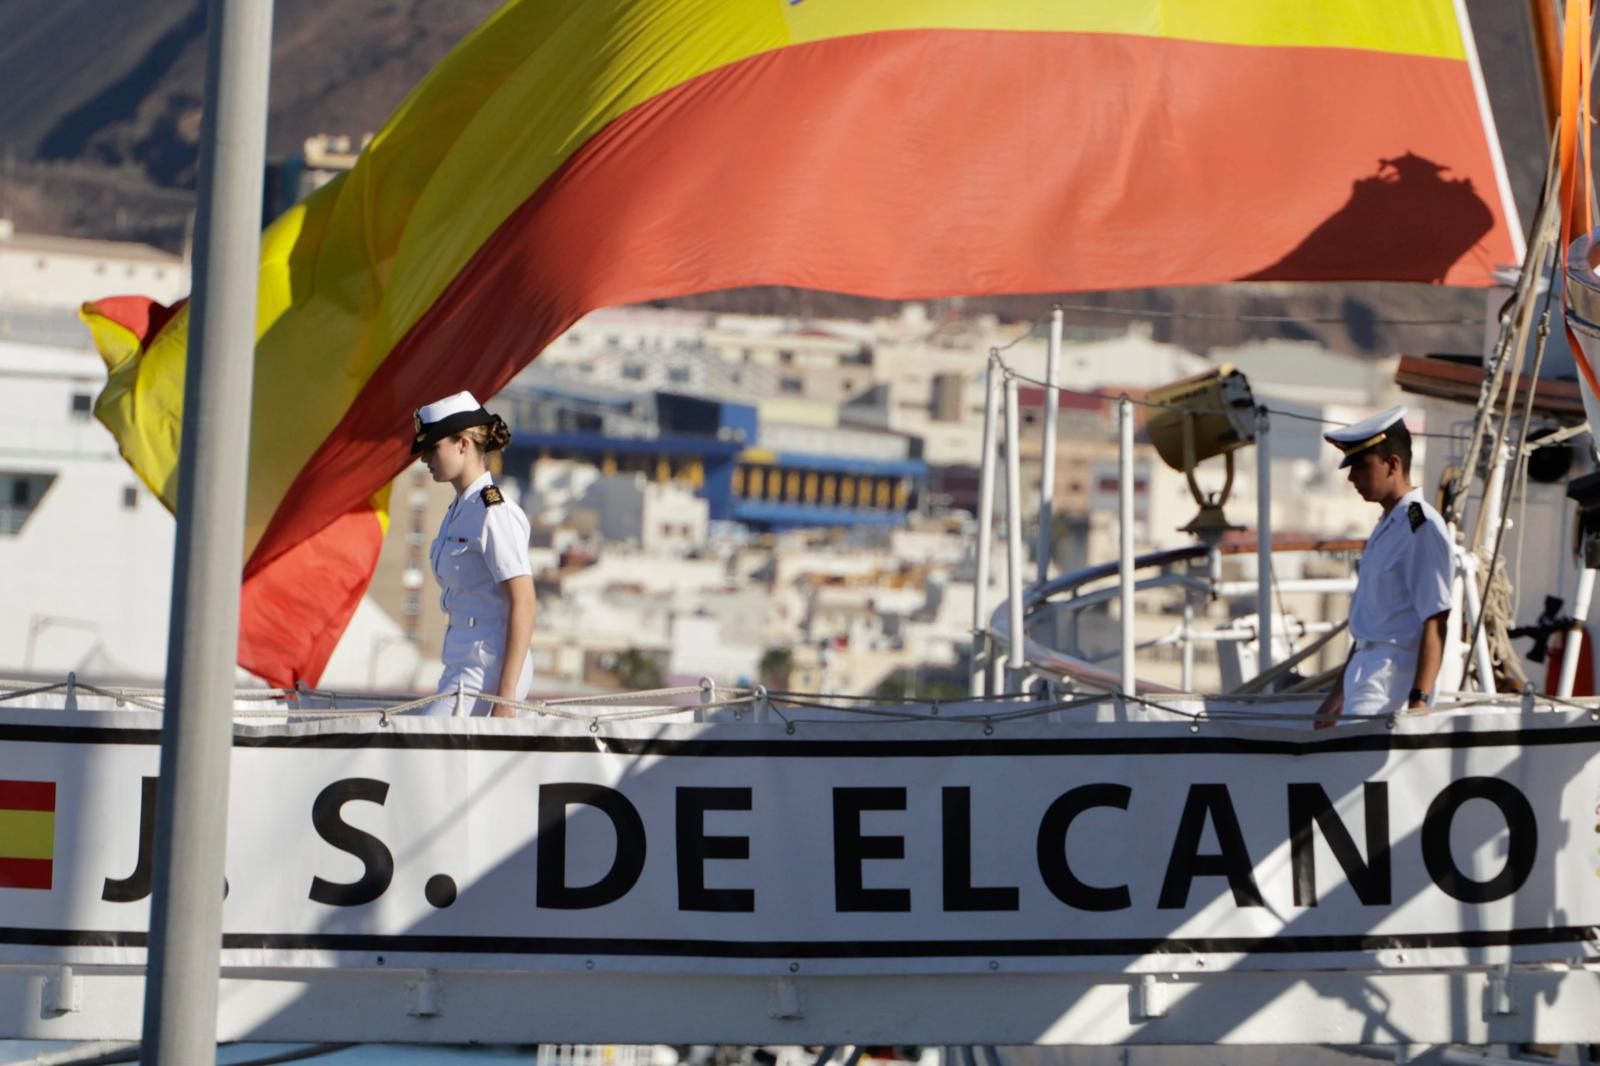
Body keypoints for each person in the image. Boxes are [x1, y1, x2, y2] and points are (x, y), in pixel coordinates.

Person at [1315, 406, 1454, 727]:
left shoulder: (1422, 526)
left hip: (1391, 680)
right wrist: (1336, 697)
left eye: (1361, 466)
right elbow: (1370, 625)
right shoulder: (1389, 524)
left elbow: (1436, 619)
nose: (1352, 478)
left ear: (1393, 464)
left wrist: (1419, 701)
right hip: (1365, 674)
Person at [411, 390, 535, 717]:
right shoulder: (459, 509)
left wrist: (505, 699)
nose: (424, 458)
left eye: (433, 448)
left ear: (463, 444)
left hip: (488, 672)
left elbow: (524, 600)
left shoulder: (492, 510)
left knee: (426, 752)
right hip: (461, 664)